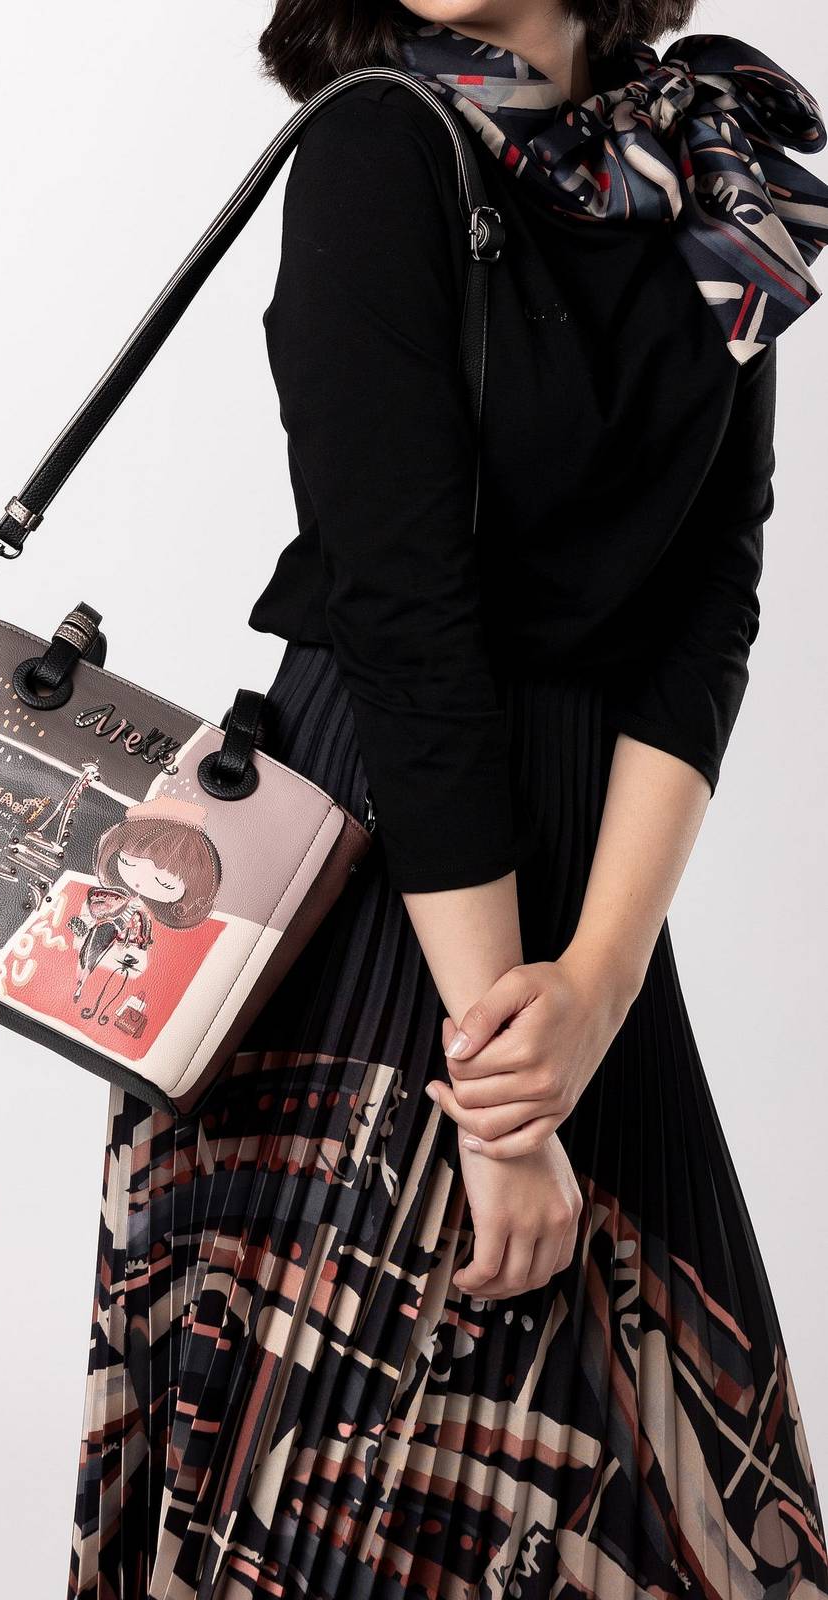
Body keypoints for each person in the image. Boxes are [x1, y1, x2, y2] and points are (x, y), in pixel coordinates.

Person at [66, 4, 828, 1596]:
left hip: (589, 907)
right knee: (339, 1500)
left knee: (667, 1496)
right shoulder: (380, 143)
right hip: (379, 854)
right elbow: (405, 621)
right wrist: (505, 1103)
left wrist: (600, 983)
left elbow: (710, 609)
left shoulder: (710, 170)